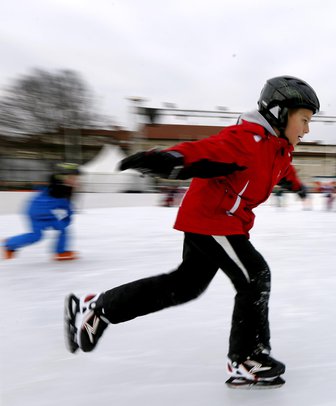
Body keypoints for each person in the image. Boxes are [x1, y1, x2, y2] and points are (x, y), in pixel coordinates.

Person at [63, 76, 319, 388]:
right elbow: (207, 151)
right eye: (303, 120)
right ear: (280, 113)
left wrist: (296, 185)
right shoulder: (247, 140)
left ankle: (98, 308)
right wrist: (169, 159)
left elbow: (281, 169)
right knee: (255, 276)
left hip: (220, 221)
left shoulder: (279, 150)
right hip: (215, 219)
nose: (306, 129)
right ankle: (246, 357)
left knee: (185, 286)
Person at [4, 163, 79, 261]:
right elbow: (66, 205)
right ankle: (60, 252)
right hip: (41, 212)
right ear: (62, 177)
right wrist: (67, 217)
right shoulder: (60, 189)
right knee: (56, 230)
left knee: (37, 236)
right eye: (72, 178)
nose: (75, 181)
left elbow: (64, 204)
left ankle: (10, 243)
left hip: (37, 210)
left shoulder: (57, 187)